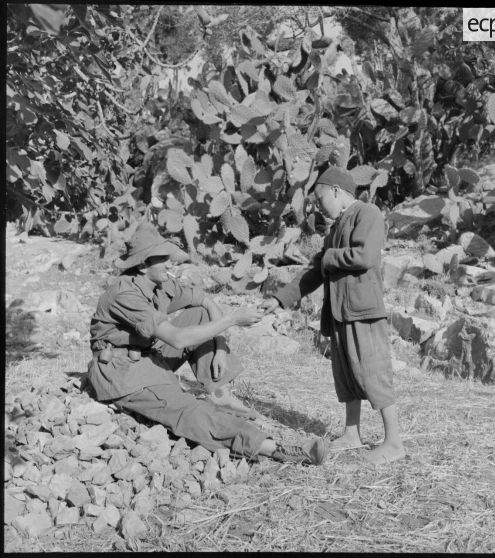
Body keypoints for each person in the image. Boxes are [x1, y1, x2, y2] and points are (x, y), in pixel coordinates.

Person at [87, 222, 328, 466]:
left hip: (148, 354)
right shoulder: (125, 294)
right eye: (163, 258)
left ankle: (220, 394)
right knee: (189, 409)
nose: (171, 262)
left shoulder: (158, 282)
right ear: (142, 265)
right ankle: (273, 448)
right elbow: (178, 339)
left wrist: (219, 348)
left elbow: (205, 302)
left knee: (199, 315)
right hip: (123, 372)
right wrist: (231, 319)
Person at [260, 167, 405, 464]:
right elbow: (315, 271)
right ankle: (352, 433)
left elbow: (365, 256)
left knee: (372, 373)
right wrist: (280, 300)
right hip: (340, 313)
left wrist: (328, 257)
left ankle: (394, 442)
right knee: (347, 375)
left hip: (363, 312)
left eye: (320, 197)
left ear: (337, 192)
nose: (317, 205)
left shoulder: (368, 213)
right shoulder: (336, 227)